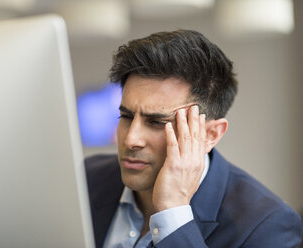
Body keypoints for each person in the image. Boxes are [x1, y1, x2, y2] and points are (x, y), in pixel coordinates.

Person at [84, 30, 303, 248]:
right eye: (126, 116)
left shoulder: (267, 228)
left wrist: (174, 213)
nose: (131, 139)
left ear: (211, 135)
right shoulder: (86, 178)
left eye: (157, 122)